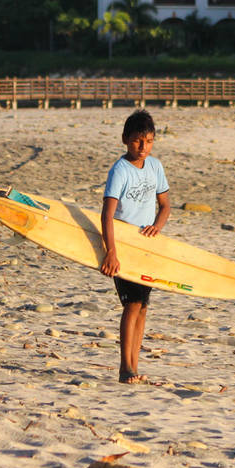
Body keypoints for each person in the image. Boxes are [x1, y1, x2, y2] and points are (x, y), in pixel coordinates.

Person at [100, 110, 171, 384]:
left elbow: (165, 206)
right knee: (131, 304)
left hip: (146, 246)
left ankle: (134, 363)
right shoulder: (119, 171)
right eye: (138, 141)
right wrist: (111, 251)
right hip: (123, 243)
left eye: (149, 141)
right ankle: (124, 367)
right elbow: (107, 214)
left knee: (143, 306)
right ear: (125, 140)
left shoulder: (155, 167)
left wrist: (157, 226)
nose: (143, 147)